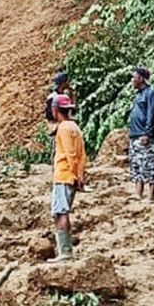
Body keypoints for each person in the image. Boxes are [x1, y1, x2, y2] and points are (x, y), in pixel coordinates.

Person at [49, 94, 86, 262]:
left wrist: (75, 175)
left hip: (64, 175)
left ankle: (65, 253)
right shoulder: (75, 127)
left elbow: (71, 154)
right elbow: (81, 155)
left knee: (60, 213)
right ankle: (65, 252)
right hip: (71, 176)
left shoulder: (63, 128)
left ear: (55, 110)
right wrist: (80, 175)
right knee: (62, 212)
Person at [128, 66, 154, 201]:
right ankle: (138, 194)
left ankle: (151, 196)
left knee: (149, 165)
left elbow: (151, 115)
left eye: (134, 77)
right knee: (136, 165)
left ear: (141, 79)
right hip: (135, 135)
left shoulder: (151, 93)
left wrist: (147, 133)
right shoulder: (138, 94)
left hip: (145, 135)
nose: (132, 80)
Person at [44, 71, 73, 136]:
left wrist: (72, 94)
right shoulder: (53, 97)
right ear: (63, 83)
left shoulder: (65, 96)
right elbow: (50, 116)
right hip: (58, 128)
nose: (68, 83)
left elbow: (73, 110)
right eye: (66, 81)